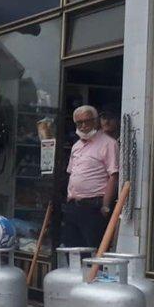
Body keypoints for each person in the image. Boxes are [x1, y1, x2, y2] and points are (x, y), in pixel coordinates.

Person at [62, 105, 119, 248]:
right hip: (73, 206)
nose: (83, 126)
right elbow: (71, 173)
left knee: (94, 250)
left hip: (94, 207)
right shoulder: (76, 146)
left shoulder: (108, 144)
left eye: (87, 121)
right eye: (79, 123)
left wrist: (105, 206)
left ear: (95, 121)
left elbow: (113, 175)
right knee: (73, 251)